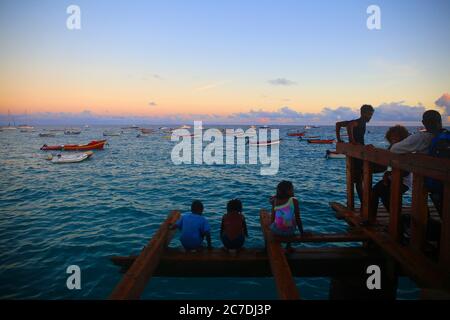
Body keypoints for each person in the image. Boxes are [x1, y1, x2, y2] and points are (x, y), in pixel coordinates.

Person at [335, 104, 375, 203]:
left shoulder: (360, 122)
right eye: (369, 114)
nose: (370, 116)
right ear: (363, 113)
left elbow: (338, 124)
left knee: (358, 180)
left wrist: (339, 139)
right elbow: (350, 125)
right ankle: (364, 204)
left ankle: (363, 203)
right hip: (358, 153)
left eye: (371, 114)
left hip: (358, 152)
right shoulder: (359, 122)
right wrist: (352, 140)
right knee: (359, 180)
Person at [370, 125, 411, 220]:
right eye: (392, 137)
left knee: (385, 196)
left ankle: (397, 221)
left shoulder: (406, 150)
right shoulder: (392, 147)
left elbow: (406, 172)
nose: (394, 139)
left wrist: (388, 174)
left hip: (403, 182)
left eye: (397, 137)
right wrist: (374, 150)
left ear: (402, 137)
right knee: (375, 192)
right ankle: (373, 218)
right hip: (392, 179)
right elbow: (384, 163)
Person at [270, 181, 305, 250]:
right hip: (290, 232)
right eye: (292, 189)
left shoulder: (275, 201)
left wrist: (272, 227)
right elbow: (298, 218)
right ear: (288, 191)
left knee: (280, 218)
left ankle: (278, 245)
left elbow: (273, 217)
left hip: (276, 231)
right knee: (293, 219)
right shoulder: (294, 201)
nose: (293, 190)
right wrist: (302, 232)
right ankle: (288, 246)